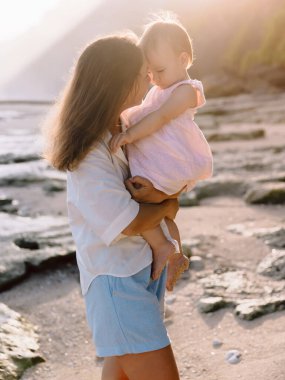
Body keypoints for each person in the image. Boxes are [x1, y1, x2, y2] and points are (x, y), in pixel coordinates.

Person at [44, 33, 181, 380]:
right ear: (118, 84)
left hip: (134, 275)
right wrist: (167, 205)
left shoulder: (119, 138)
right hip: (117, 285)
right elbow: (128, 222)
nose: (148, 79)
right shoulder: (90, 155)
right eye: (141, 74)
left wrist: (166, 200)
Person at [109, 16, 213, 290]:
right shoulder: (163, 86)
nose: (154, 79)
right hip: (157, 158)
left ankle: (163, 246)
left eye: (160, 70)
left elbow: (162, 117)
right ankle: (174, 251)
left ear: (183, 59)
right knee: (160, 214)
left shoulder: (187, 91)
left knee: (134, 199)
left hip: (170, 162)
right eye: (149, 74)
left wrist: (130, 134)